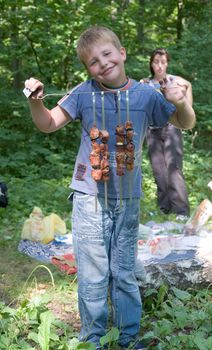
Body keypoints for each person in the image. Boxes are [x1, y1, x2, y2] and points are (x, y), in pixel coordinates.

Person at [24, 27, 195, 349]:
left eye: (107, 54)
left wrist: (181, 102)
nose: (102, 63)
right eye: (92, 61)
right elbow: (47, 123)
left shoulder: (147, 96)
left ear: (123, 53)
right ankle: (93, 339)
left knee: (124, 272)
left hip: (127, 198)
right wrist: (36, 101)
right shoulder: (81, 93)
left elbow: (185, 122)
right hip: (89, 197)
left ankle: (128, 337)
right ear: (86, 68)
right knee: (93, 275)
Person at [141, 48, 193, 220]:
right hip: (152, 130)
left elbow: (188, 85)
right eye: (156, 62)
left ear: (167, 63)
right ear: (151, 63)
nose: (160, 65)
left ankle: (181, 212)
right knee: (159, 170)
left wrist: (186, 107)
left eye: (163, 62)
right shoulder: (145, 83)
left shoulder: (173, 81)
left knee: (173, 169)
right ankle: (164, 209)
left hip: (171, 127)